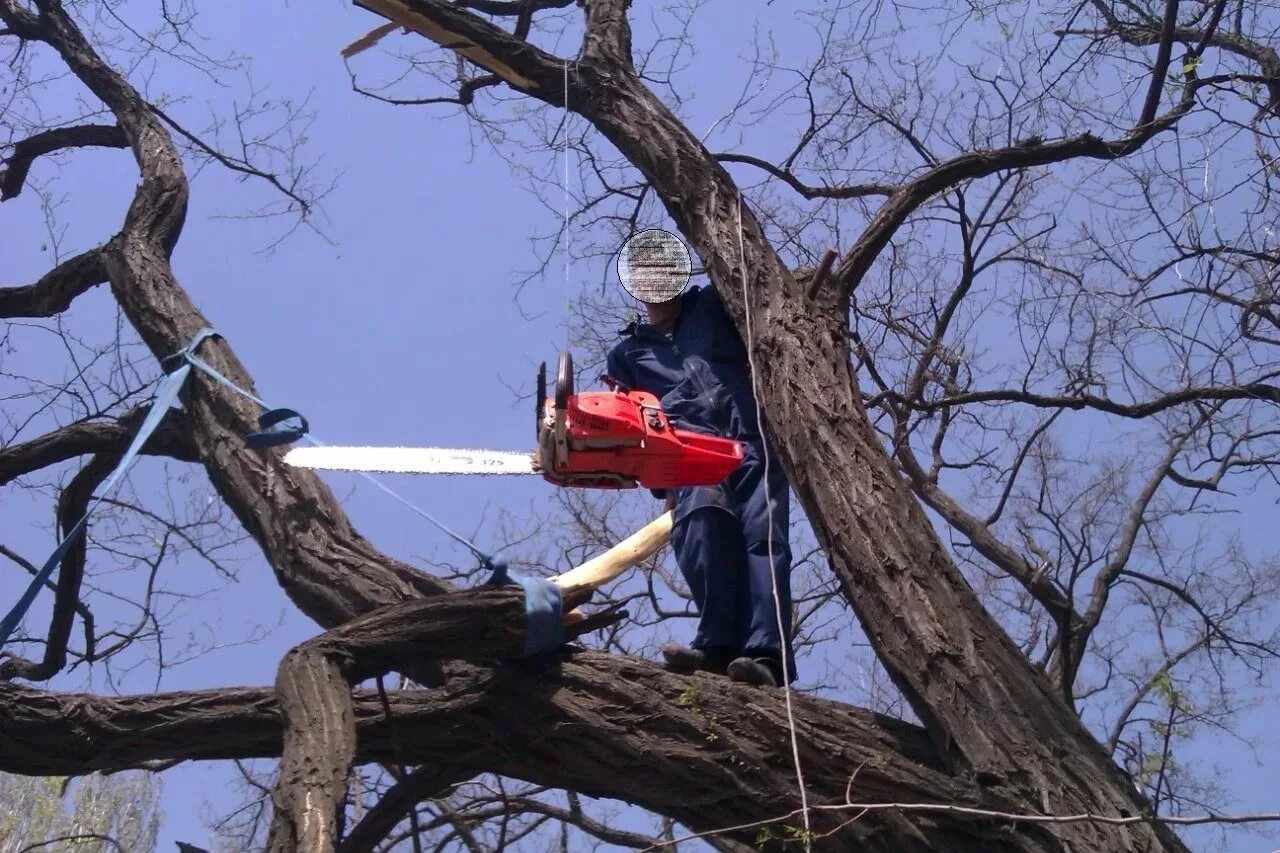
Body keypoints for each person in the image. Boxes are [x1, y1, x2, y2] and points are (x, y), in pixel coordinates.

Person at [605, 281, 795, 687]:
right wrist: (664, 486)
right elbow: (630, 424)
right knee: (701, 525)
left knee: (764, 538)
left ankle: (766, 654)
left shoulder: (712, 304)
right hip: (689, 456)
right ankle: (718, 646)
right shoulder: (626, 356)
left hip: (753, 439)